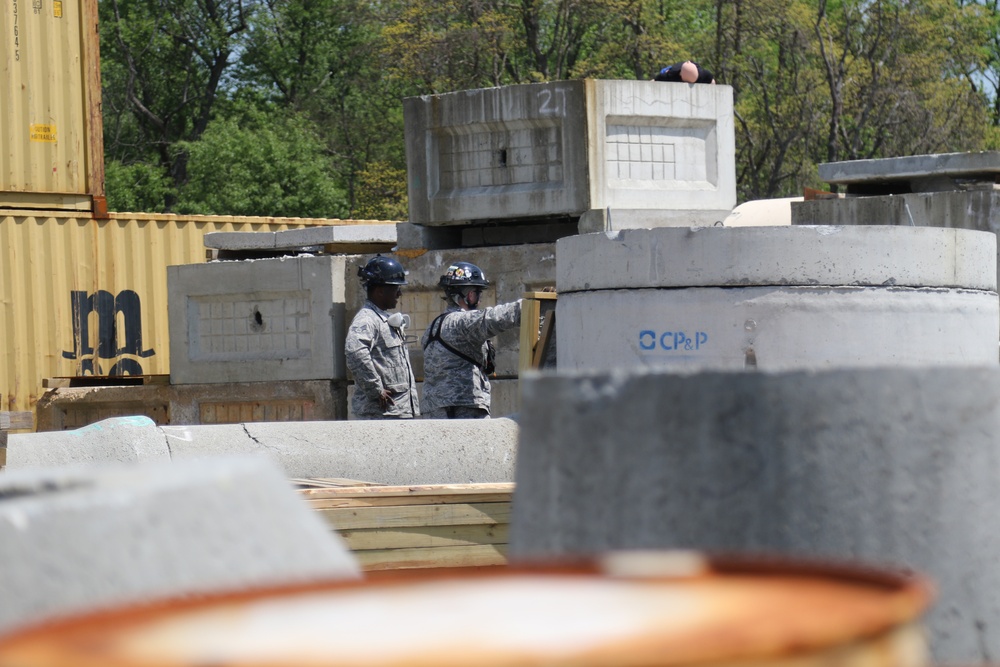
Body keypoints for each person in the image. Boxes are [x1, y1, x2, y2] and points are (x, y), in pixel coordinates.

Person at [421, 262, 521, 419]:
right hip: (462, 408)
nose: (479, 300)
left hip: (434, 410)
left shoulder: (432, 327)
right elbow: (496, 317)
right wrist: (531, 304)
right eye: (477, 293)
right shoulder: (462, 322)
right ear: (469, 295)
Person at [345, 255, 419, 419]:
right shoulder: (367, 319)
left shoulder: (383, 319)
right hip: (381, 415)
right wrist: (375, 389)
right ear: (380, 291)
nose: (399, 294)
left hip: (397, 412)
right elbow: (355, 352)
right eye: (395, 288)